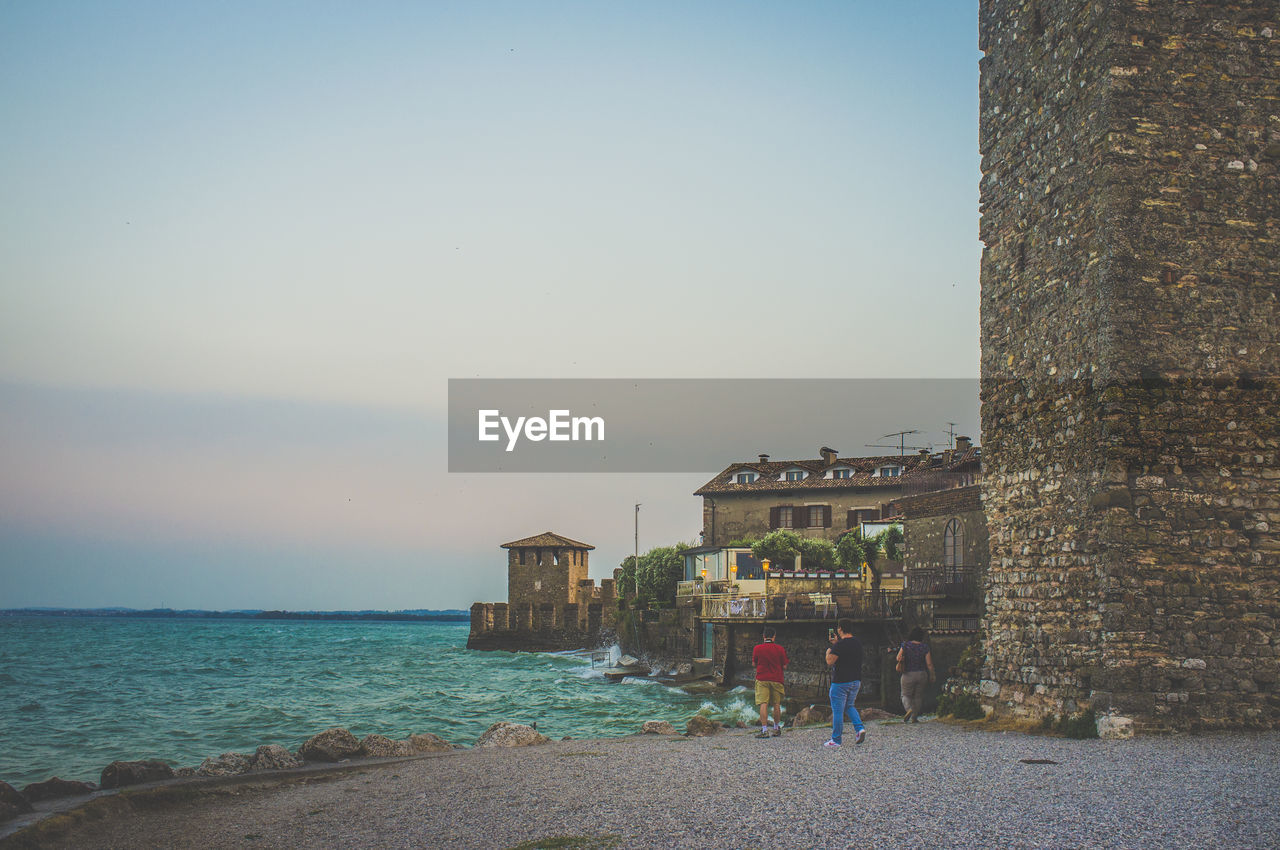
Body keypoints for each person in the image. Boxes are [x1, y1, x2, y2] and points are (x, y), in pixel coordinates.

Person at [823, 618, 865, 747]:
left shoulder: (840, 646)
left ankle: (836, 740)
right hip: (856, 680)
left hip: (841, 681)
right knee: (849, 706)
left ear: (840, 629)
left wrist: (828, 651)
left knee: (838, 711)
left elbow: (830, 661)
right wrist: (836, 643)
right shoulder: (858, 643)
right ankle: (859, 728)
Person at [752, 626, 788, 738]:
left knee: (763, 703)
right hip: (777, 679)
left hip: (762, 679)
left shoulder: (757, 648)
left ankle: (764, 730)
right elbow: (785, 665)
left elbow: (754, 664)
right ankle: (776, 728)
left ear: (763, 636)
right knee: (776, 704)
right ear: (774, 637)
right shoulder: (780, 649)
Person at [897, 627, 936, 722]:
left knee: (905, 695)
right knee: (918, 696)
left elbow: (898, 658)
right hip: (922, 674)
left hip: (908, 674)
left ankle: (909, 709)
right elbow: (929, 664)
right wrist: (932, 675)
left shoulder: (905, 645)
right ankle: (914, 717)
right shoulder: (925, 647)